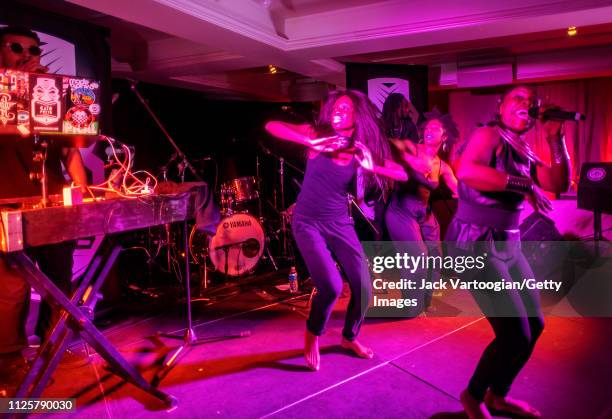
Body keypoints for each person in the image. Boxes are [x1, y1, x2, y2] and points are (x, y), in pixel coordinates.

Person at [445, 85, 570, 419]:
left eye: (532, 102)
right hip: (474, 243)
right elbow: (468, 172)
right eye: (518, 98)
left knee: (535, 325)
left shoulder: (525, 147)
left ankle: (498, 395)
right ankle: (473, 397)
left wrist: (556, 139)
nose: (526, 104)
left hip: (507, 245)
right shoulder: (488, 134)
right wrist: (525, 184)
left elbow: (557, 183)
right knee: (514, 334)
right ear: (500, 106)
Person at [265, 89, 407, 371]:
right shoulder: (317, 133)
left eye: (346, 107)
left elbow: (401, 173)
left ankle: (348, 338)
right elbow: (272, 126)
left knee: (365, 287)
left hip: (339, 222)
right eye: (336, 106)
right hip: (307, 222)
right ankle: (312, 334)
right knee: (330, 287)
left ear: (357, 115)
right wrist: (309, 138)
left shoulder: (360, 148)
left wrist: (373, 166)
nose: (338, 110)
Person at [0, 25, 88, 395]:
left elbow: (71, 152)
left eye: (33, 49)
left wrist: (84, 197)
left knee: (58, 280)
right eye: (16, 47)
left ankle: (54, 344)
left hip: (52, 201)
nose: (27, 54)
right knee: (12, 286)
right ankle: (9, 360)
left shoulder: (56, 97)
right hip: (6, 202)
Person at [384, 109, 458, 311]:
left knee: (436, 257)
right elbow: (392, 143)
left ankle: (424, 302)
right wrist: (405, 156)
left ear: (443, 137)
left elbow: (457, 188)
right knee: (418, 257)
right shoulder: (411, 148)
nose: (429, 130)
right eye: (427, 127)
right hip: (401, 211)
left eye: (435, 129)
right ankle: (410, 303)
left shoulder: (442, 165)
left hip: (424, 214)